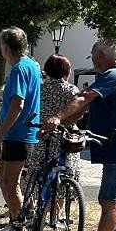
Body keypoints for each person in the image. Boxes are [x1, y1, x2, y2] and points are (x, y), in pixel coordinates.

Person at [43, 39, 116, 231]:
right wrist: (61, 125)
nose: (92, 58)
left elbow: (82, 98)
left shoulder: (114, 76)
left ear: (102, 56)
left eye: (93, 54)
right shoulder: (109, 77)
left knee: (108, 201)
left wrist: (57, 117)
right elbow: (84, 107)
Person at [0, 27, 41, 231]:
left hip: (18, 133)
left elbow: (17, 104)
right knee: (1, 176)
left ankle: (20, 228)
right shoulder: (29, 65)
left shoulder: (20, 68)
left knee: (11, 182)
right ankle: (17, 220)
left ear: (5, 47)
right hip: (19, 133)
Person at [21, 54, 81, 195]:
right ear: (67, 71)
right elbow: (76, 116)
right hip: (64, 141)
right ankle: (54, 213)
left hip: (42, 138)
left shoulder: (38, 89)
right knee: (63, 179)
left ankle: (32, 205)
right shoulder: (72, 90)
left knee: (36, 173)